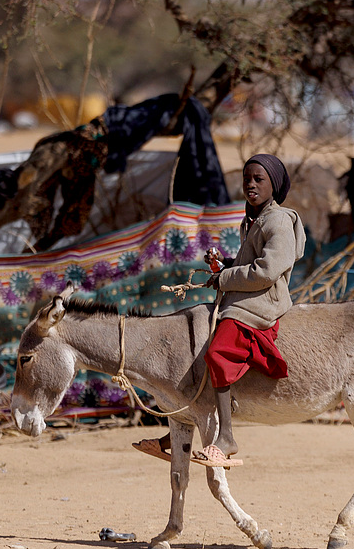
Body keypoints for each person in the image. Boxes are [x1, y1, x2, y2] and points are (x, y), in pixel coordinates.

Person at [132, 152, 304, 469]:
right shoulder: (251, 219)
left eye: (259, 180)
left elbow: (266, 271)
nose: (251, 185)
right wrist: (223, 265)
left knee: (219, 353)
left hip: (261, 302)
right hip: (243, 295)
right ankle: (175, 435)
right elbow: (247, 264)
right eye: (247, 179)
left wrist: (224, 277)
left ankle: (226, 438)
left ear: (274, 185)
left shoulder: (278, 221)